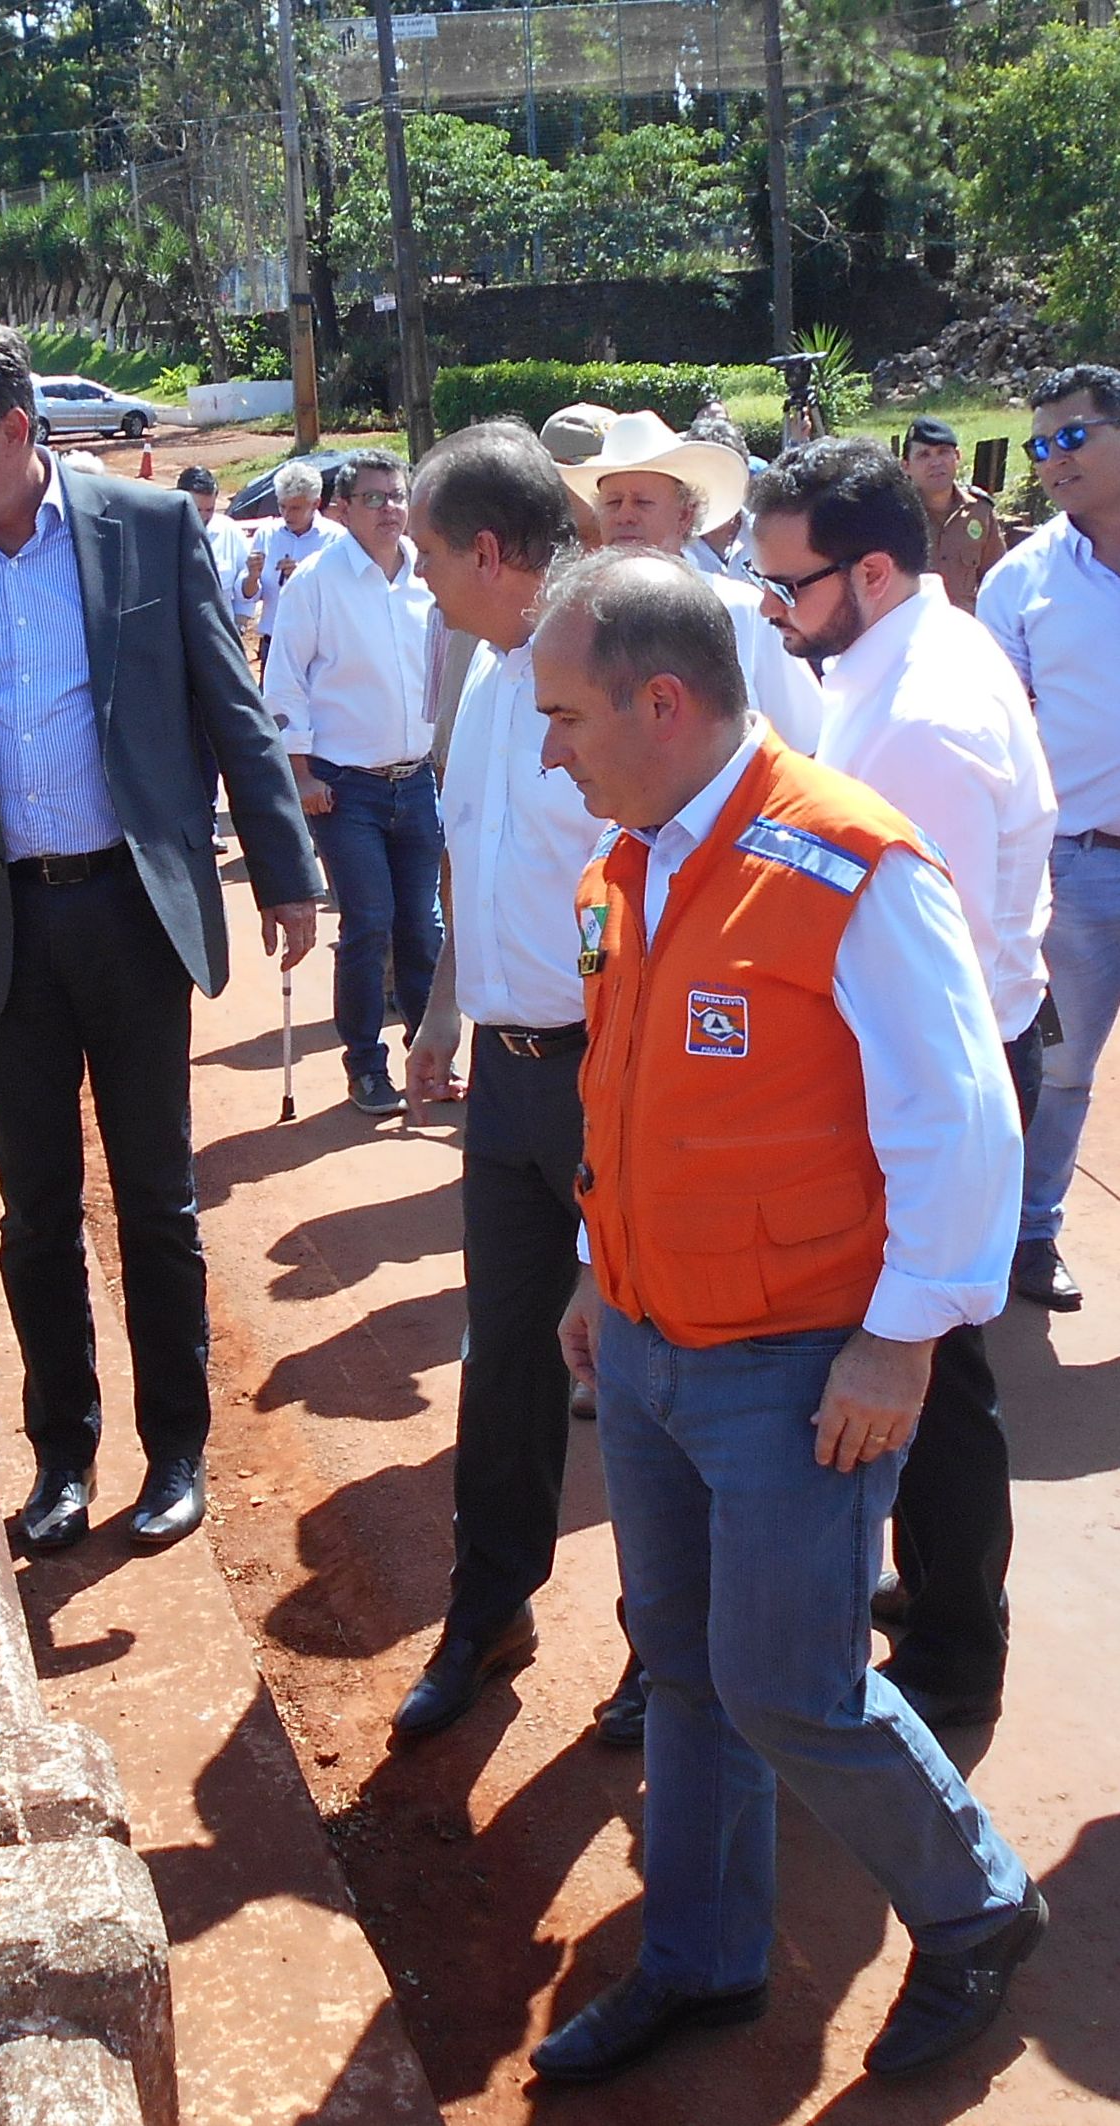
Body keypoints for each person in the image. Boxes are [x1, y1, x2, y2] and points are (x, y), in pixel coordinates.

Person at [532, 548, 1041, 2088]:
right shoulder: (625, 861)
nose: (546, 744)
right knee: (679, 1662)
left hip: (792, 1363)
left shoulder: (848, 863)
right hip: (642, 1340)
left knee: (788, 1684)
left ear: (661, 701)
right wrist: (587, 1259)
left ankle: (972, 1907)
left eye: (562, 714)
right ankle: (701, 1955)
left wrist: (900, 1336)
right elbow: (628, 1096)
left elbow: (961, 1117)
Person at [0, 321, 324, 1555]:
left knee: (156, 1199)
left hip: (131, 907)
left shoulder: (143, 532)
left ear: (16, 430)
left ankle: (176, 1450)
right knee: (36, 1208)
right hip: (1, 923)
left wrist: (283, 868)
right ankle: (63, 1453)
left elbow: (231, 708)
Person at [748, 439, 1056, 1730]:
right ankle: (933, 1585)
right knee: (930, 1362)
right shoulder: (899, 653)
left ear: (869, 569)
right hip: (949, 1051)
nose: (773, 610)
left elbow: (935, 964)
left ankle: (952, 1646)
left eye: (790, 587)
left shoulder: (920, 717)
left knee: (930, 1361)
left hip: (946, 1069)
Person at [390, 422, 641, 1744]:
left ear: (489, 549)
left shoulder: (604, 670)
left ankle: (663, 1649)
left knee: (645, 1369)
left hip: (615, 1075)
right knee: (503, 1370)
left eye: (427, 554)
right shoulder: (489, 677)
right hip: (508, 1077)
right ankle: (488, 1612)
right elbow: (469, 854)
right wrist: (445, 1001)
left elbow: (651, 908)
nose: (416, 577)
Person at [980, 363, 1120, 1313]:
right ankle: (1032, 1238)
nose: (1051, 460)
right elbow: (997, 732)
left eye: (1072, 436)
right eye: (1039, 445)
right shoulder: (1018, 582)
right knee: (1060, 1070)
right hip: (1079, 870)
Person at [263, 448, 440, 1116]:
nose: (389, 509)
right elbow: (285, 683)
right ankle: (366, 1066)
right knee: (370, 921)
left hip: (417, 779)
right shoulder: (316, 581)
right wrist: (301, 771)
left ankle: (429, 1054)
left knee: (424, 929)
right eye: (373, 498)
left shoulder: (429, 578)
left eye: (397, 496)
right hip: (344, 787)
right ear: (342, 507)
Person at [558, 410, 826, 751]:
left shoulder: (744, 611)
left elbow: (807, 742)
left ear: (684, 515)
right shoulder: (574, 620)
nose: (625, 514)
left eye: (642, 502)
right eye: (612, 503)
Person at [241, 461, 343, 668]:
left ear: (315, 504)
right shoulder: (267, 534)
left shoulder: (336, 539)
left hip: (319, 647)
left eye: (295, 508)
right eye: (282, 506)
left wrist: (303, 577)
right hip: (274, 642)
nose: (287, 515)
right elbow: (249, 594)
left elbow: (341, 596)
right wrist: (251, 576)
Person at [903, 415, 1006, 612]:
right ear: (906, 466)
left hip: (968, 630)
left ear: (957, 456)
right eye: (924, 455)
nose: (935, 462)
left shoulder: (979, 512)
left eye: (943, 452)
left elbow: (999, 581)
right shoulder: (897, 516)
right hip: (912, 632)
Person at [176, 465, 257, 639]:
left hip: (219, 638)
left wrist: (240, 625)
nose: (204, 517)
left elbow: (246, 587)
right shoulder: (162, 532)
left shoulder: (229, 531)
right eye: (196, 510)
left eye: (209, 510)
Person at [684, 412, 758, 577]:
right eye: (704, 475)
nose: (714, 486)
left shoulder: (767, 534)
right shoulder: (671, 543)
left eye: (725, 475)